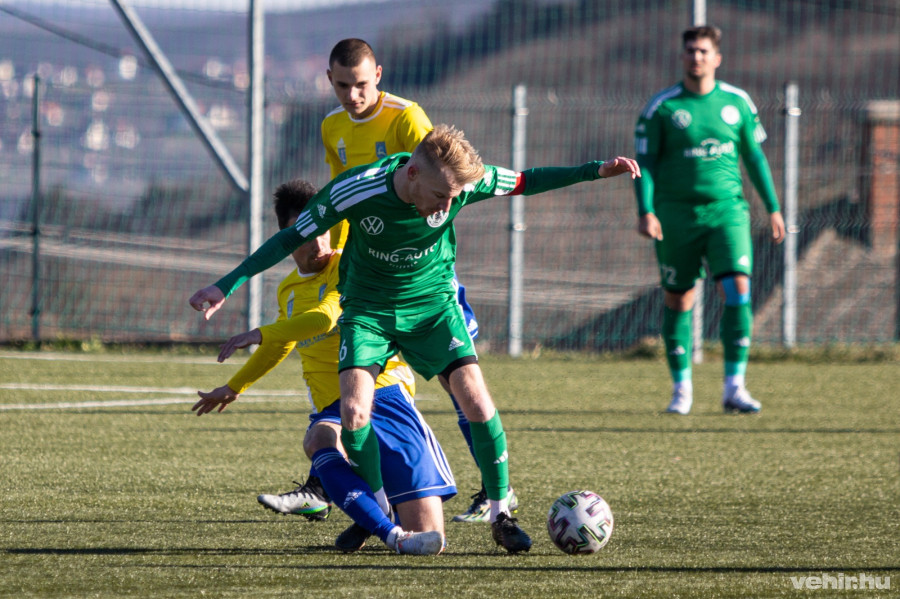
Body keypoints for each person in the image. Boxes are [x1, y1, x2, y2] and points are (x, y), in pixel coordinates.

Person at [189, 124, 641, 553]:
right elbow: (290, 237)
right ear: (412, 174)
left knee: (477, 401)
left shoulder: (462, 185)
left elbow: (525, 180)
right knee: (353, 414)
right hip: (368, 310)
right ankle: (379, 512)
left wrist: (595, 170)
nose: (448, 205)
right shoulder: (356, 189)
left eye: (455, 196)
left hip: (431, 305)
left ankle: (501, 515)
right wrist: (225, 286)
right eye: (441, 195)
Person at [271, 37, 517, 526]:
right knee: (354, 394)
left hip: (426, 282)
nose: (352, 95)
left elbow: (442, 189)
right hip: (371, 277)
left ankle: (496, 494)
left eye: (361, 84)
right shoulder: (332, 126)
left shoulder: (407, 118)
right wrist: (343, 257)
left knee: (462, 388)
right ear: (329, 80)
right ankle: (341, 491)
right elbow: (345, 201)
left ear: (378, 75)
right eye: (343, 86)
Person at [192, 179, 454, 555]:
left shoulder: (348, 264)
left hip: (382, 390)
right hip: (335, 404)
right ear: (286, 239)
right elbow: (282, 343)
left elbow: (325, 318)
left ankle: (375, 512)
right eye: (305, 234)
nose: (318, 242)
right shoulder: (288, 290)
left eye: (323, 230)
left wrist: (259, 333)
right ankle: (388, 530)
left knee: (431, 536)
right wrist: (234, 387)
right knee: (319, 439)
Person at [633, 25, 786, 415]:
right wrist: (646, 210)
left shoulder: (737, 102)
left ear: (717, 58)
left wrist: (772, 207)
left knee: (738, 289)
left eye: (703, 51)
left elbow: (754, 157)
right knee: (679, 298)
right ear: (682, 57)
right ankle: (681, 389)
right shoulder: (662, 108)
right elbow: (645, 165)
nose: (696, 57)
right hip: (676, 215)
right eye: (690, 51)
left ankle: (735, 386)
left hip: (728, 212)